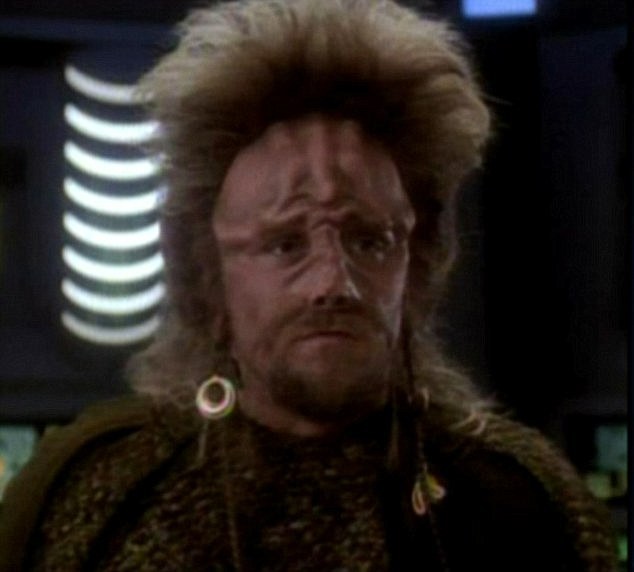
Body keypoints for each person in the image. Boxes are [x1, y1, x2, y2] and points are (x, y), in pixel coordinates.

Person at [0, 1, 616, 570]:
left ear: (419, 265)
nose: (333, 283)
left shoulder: (521, 499)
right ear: (208, 276)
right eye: (285, 244)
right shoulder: (97, 497)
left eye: (369, 241)